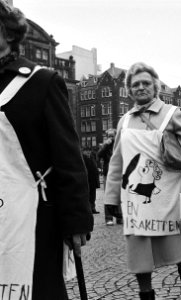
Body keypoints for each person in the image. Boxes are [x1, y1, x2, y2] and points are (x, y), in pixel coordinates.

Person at [0, 2, 93, 299]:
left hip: (33, 215)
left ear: (8, 33)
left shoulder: (41, 81)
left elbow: (67, 156)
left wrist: (76, 220)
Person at [104, 62, 181, 300]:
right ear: (129, 91)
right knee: (141, 263)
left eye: (145, 83)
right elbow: (117, 162)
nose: (141, 88)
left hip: (171, 197)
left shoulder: (173, 114)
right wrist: (111, 199)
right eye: (135, 85)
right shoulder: (124, 121)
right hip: (137, 203)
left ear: (155, 87)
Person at [98, 128, 123, 225]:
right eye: (109, 136)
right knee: (109, 195)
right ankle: (109, 218)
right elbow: (98, 155)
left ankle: (119, 217)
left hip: (119, 173)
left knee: (119, 195)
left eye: (112, 136)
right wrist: (105, 146)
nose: (111, 138)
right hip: (108, 173)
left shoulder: (119, 146)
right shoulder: (105, 146)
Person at [82, 147, 101, 214]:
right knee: (87, 195)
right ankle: (88, 209)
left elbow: (94, 167)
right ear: (83, 151)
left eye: (89, 151)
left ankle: (92, 208)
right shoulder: (83, 159)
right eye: (86, 151)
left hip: (93, 180)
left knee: (93, 196)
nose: (88, 152)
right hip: (87, 180)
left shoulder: (92, 158)